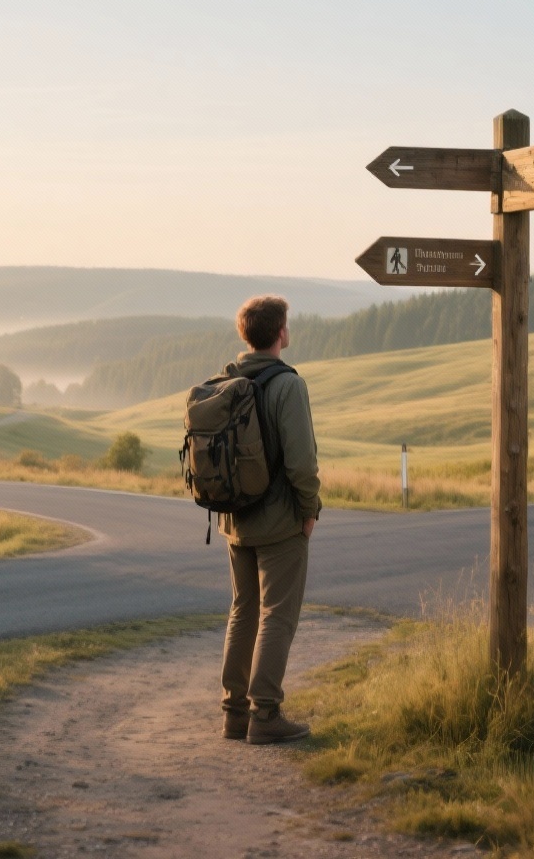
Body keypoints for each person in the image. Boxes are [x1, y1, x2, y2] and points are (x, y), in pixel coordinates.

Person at [218, 295, 321, 745]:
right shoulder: (288, 386)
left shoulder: (226, 381)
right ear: (280, 332)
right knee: (278, 615)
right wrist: (310, 509)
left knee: (243, 612)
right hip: (280, 522)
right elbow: (301, 463)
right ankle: (266, 715)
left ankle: (235, 713)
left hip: (234, 519)